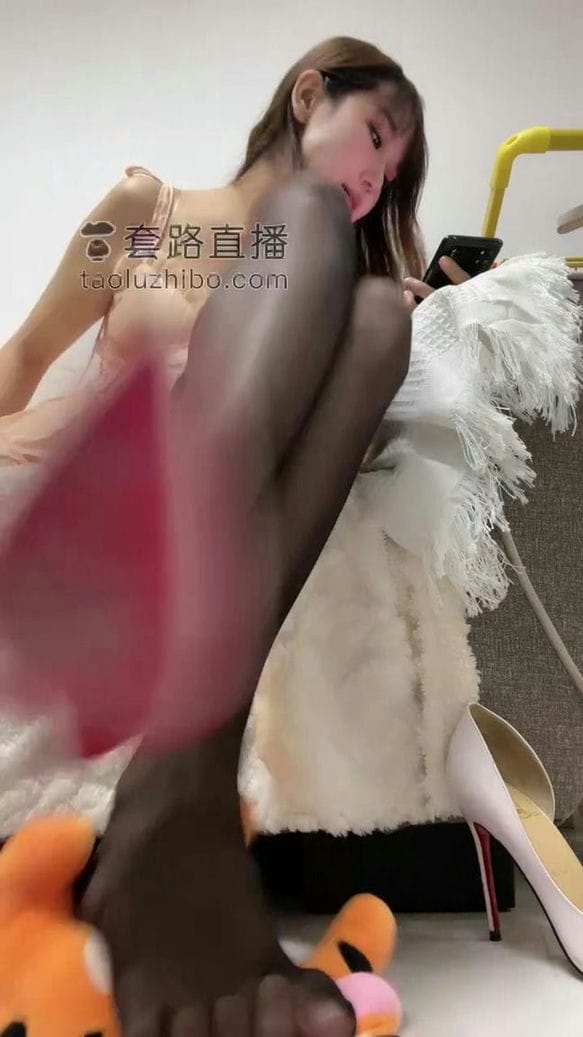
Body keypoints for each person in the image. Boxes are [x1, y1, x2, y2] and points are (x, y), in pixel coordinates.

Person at [0, 35, 470, 1037]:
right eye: (373, 136)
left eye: (389, 176)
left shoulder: (348, 294)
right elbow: (26, 358)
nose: (373, 178)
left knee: (382, 316)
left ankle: (177, 791)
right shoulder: (148, 210)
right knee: (306, 217)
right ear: (308, 95)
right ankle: (176, 798)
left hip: (224, 497)